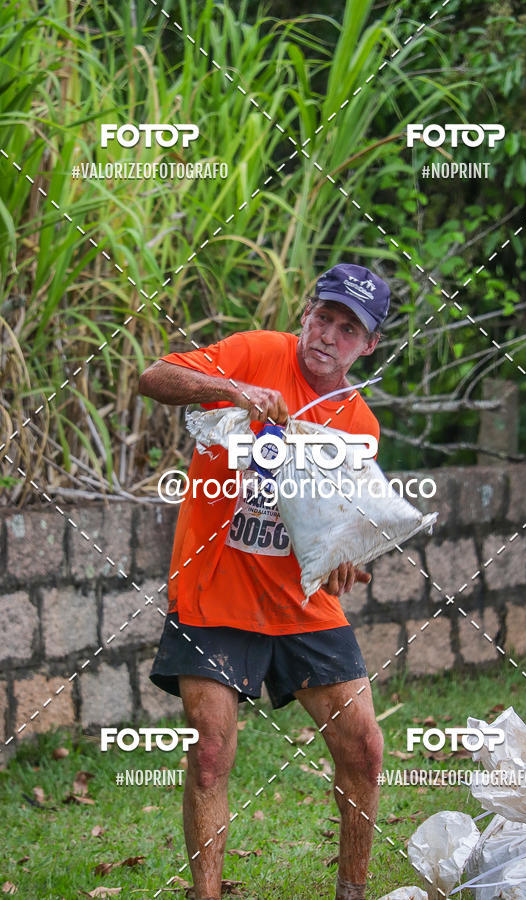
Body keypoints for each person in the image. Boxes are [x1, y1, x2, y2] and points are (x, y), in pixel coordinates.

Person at [138, 263, 391, 900]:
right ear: (307, 315)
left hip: (300, 604)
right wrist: (235, 390)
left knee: (363, 748)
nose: (328, 335)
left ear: (368, 345)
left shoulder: (358, 426)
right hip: (216, 591)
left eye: (347, 329)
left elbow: (333, 525)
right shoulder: (256, 353)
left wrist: (341, 558)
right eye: (323, 317)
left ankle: (351, 893)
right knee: (212, 751)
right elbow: (154, 377)